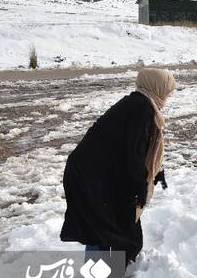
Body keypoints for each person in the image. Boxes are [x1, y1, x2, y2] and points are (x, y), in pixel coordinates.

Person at [60, 69, 177, 266]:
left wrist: (155, 173)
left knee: (110, 221)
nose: (168, 95)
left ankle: (114, 270)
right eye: (167, 90)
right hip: (89, 174)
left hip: (98, 171)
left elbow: (133, 149)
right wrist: (140, 185)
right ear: (156, 87)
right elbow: (134, 153)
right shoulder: (141, 109)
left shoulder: (139, 103)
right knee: (101, 226)